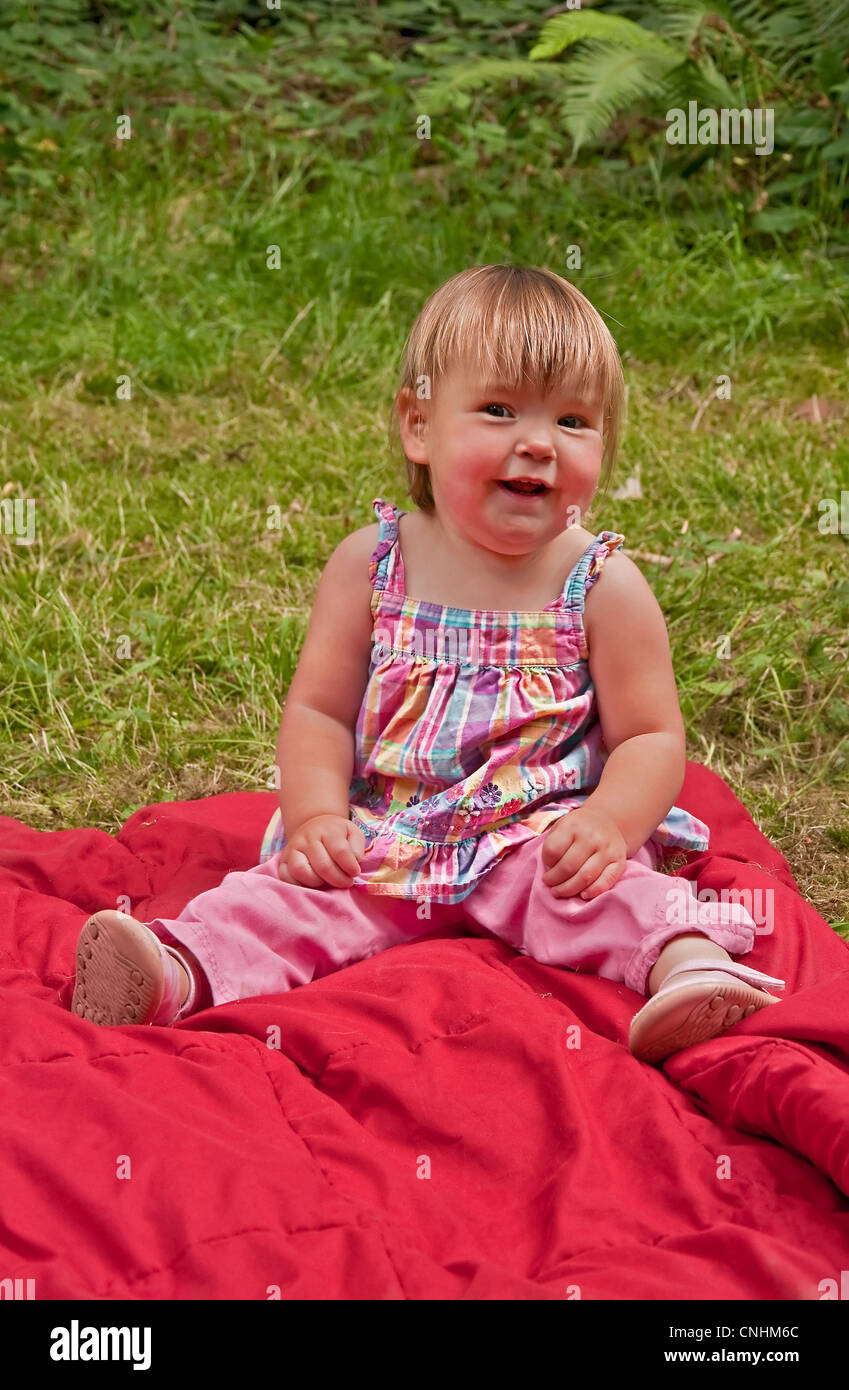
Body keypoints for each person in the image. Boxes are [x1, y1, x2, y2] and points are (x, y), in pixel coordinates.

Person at [71, 264, 784, 1064]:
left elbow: (651, 735)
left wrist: (608, 826)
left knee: (609, 897)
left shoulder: (601, 585)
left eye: (575, 421)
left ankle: (692, 970)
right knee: (290, 899)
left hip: (535, 831)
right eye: (499, 409)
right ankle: (173, 971)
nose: (538, 443)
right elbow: (318, 712)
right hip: (390, 830)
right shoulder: (370, 567)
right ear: (418, 424)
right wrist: (314, 818)